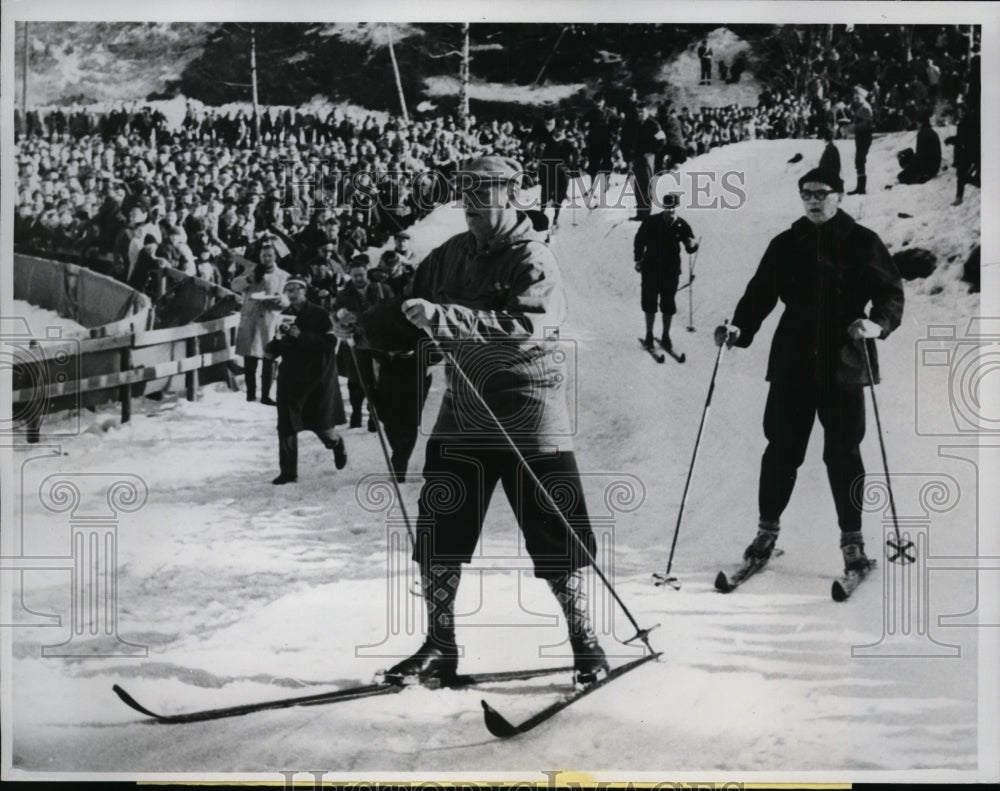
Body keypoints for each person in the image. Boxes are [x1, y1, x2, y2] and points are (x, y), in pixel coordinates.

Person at [350, 155, 609, 686]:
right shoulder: (450, 255)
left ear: (511, 193)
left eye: (483, 190)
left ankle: (585, 642)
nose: (470, 200)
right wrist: (363, 324)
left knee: (553, 530)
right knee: (439, 528)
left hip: (526, 405)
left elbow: (528, 325)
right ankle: (439, 644)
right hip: (465, 406)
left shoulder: (533, 257)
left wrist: (445, 316)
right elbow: (408, 307)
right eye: (464, 189)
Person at [714, 168, 904, 578]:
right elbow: (760, 292)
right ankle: (766, 534)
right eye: (806, 194)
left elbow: (890, 291)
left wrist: (878, 323)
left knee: (843, 454)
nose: (813, 201)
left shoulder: (862, 241)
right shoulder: (786, 242)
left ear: (840, 195)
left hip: (845, 360)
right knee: (781, 448)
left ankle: (853, 543)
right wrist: (739, 328)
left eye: (821, 193)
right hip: (793, 359)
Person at [266, 278, 348, 485]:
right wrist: (272, 347)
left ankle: (336, 444)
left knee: (321, 426)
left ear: (305, 291)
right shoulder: (283, 316)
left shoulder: (319, 314)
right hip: (289, 377)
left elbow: (330, 342)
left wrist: (302, 335)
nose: (293, 294)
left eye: (296, 289)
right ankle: (288, 472)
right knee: (286, 425)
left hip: (315, 377)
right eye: (288, 290)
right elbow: (279, 342)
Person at [363, 249, 432, 483]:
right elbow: (368, 320)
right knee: (388, 413)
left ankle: (400, 459)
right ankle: (398, 451)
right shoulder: (381, 294)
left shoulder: (421, 295)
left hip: (413, 364)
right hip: (388, 362)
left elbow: (434, 335)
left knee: (409, 419)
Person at [633, 193, 698, 350]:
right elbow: (639, 240)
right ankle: (649, 334)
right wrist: (638, 259)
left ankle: (666, 335)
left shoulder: (681, 225)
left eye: (673, 208)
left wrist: (692, 244)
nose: (670, 211)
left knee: (668, 302)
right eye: (668, 207)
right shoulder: (651, 222)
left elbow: (690, 245)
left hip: (671, 270)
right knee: (649, 301)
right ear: (663, 207)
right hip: (651, 268)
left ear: (677, 207)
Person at [333, 255, 389, 431]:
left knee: (376, 381)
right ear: (350, 275)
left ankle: (374, 415)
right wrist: (340, 317)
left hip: (377, 342)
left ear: (367, 273)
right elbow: (337, 314)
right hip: (354, 343)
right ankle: (356, 413)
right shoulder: (344, 294)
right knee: (356, 380)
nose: (358, 278)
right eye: (355, 275)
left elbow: (390, 310)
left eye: (361, 274)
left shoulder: (381, 290)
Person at [231, 242, 289, 405]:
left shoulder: (283, 275)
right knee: (250, 357)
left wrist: (280, 300)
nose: (267, 259)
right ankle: (250, 394)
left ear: (275, 257)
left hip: (270, 319)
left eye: (270, 255)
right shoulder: (251, 270)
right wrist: (249, 279)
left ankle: (265, 395)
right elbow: (234, 285)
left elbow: (288, 299)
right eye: (264, 256)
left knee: (269, 357)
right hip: (251, 318)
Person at [631, 103, 666, 221]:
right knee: (638, 185)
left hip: (648, 158)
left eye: (642, 112)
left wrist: (652, 152)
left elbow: (662, 140)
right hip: (637, 158)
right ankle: (640, 213)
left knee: (646, 184)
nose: (640, 114)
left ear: (647, 112)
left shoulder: (653, 125)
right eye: (638, 112)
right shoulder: (636, 125)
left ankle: (646, 214)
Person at [945, 101, 980, 205]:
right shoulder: (965, 121)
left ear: (966, 111)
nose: (961, 113)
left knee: (961, 175)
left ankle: (978, 184)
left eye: (962, 111)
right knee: (961, 175)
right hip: (965, 152)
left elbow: (963, 138)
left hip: (970, 152)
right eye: (959, 112)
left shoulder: (969, 121)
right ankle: (959, 197)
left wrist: (950, 140)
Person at [896, 109, 942, 185]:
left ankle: (921, 176)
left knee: (901, 177)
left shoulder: (923, 134)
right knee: (909, 152)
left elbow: (920, 157)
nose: (917, 124)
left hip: (928, 168)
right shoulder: (930, 131)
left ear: (921, 123)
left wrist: (910, 168)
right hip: (934, 164)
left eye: (918, 122)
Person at [583, 93, 617, 184]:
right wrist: (585, 127)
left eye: (600, 102)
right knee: (593, 163)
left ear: (603, 102)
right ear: (594, 102)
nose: (598, 104)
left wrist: (614, 139)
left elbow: (616, 127)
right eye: (596, 102)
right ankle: (592, 185)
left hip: (606, 142)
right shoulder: (589, 113)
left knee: (607, 163)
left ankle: (606, 183)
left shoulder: (610, 113)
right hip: (594, 142)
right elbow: (582, 125)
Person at [847, 86, 874, 195]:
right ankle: (860, 186)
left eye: (857, 97)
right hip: (861, 136)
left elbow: (868, 123)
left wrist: (855, 127)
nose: (855, 99)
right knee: (859, 160)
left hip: (864, 136)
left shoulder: (865, 108)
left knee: (860, 160)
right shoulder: (862, 108)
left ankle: (861, 188)